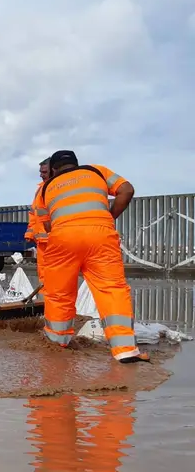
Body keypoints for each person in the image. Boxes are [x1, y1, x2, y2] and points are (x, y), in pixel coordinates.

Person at [35, 150, 147, 363]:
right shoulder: (97, 171)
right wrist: (108, 216)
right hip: (101, 235)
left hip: (62, 238)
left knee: (59, 294)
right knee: (111, 289)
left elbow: (47, 224)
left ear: (54, 169)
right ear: (77, 164)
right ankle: (125, 350)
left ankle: (57, 343)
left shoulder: (45, 189)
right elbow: (126, 190)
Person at [25, 158, 50, 281]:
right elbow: (33, 213)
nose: (41, 175)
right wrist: (31, 233)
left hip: (54, 240)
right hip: (42, 241)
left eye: (44, 172)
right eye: (40, 172)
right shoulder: (40, 190)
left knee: (55, 274)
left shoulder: (56, 188)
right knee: (44, 274)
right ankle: (46, 299)